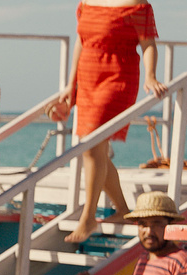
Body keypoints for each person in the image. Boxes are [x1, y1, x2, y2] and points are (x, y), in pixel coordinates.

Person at [54, 0, 166, 244]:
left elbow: (148, 44)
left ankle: (89, 217)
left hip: (118, 76)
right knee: (95, 150)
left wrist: (151, 76)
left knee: (92, 146)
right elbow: (81, 43)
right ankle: (124, 210)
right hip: (87, 76)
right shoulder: (86, 3)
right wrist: (70, 86)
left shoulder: (137, 5)